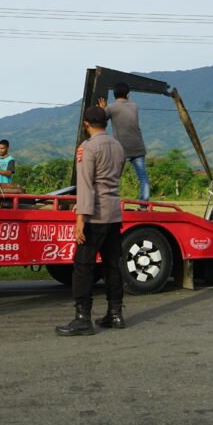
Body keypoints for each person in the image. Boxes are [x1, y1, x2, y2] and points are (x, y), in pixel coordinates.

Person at [56, 106, 127, 336]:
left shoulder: (87, 148)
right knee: (112, 265)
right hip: (114, 213)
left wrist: (80, 220)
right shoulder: (118, 146)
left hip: (94, 216)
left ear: (86, 124)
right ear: (105, 123)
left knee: (83, 267)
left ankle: (82, 319)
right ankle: (115, 314)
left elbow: (86, 186)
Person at [97, 81, 150, 202]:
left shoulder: (111, 108)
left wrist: (102, 109)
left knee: (113, 177)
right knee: (143, 178)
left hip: (121, 148)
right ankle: (143, 205)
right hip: (138, 147)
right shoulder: (134, 106)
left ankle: (109, 201)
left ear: (114, 95)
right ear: (128, 95)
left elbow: (100, 120)